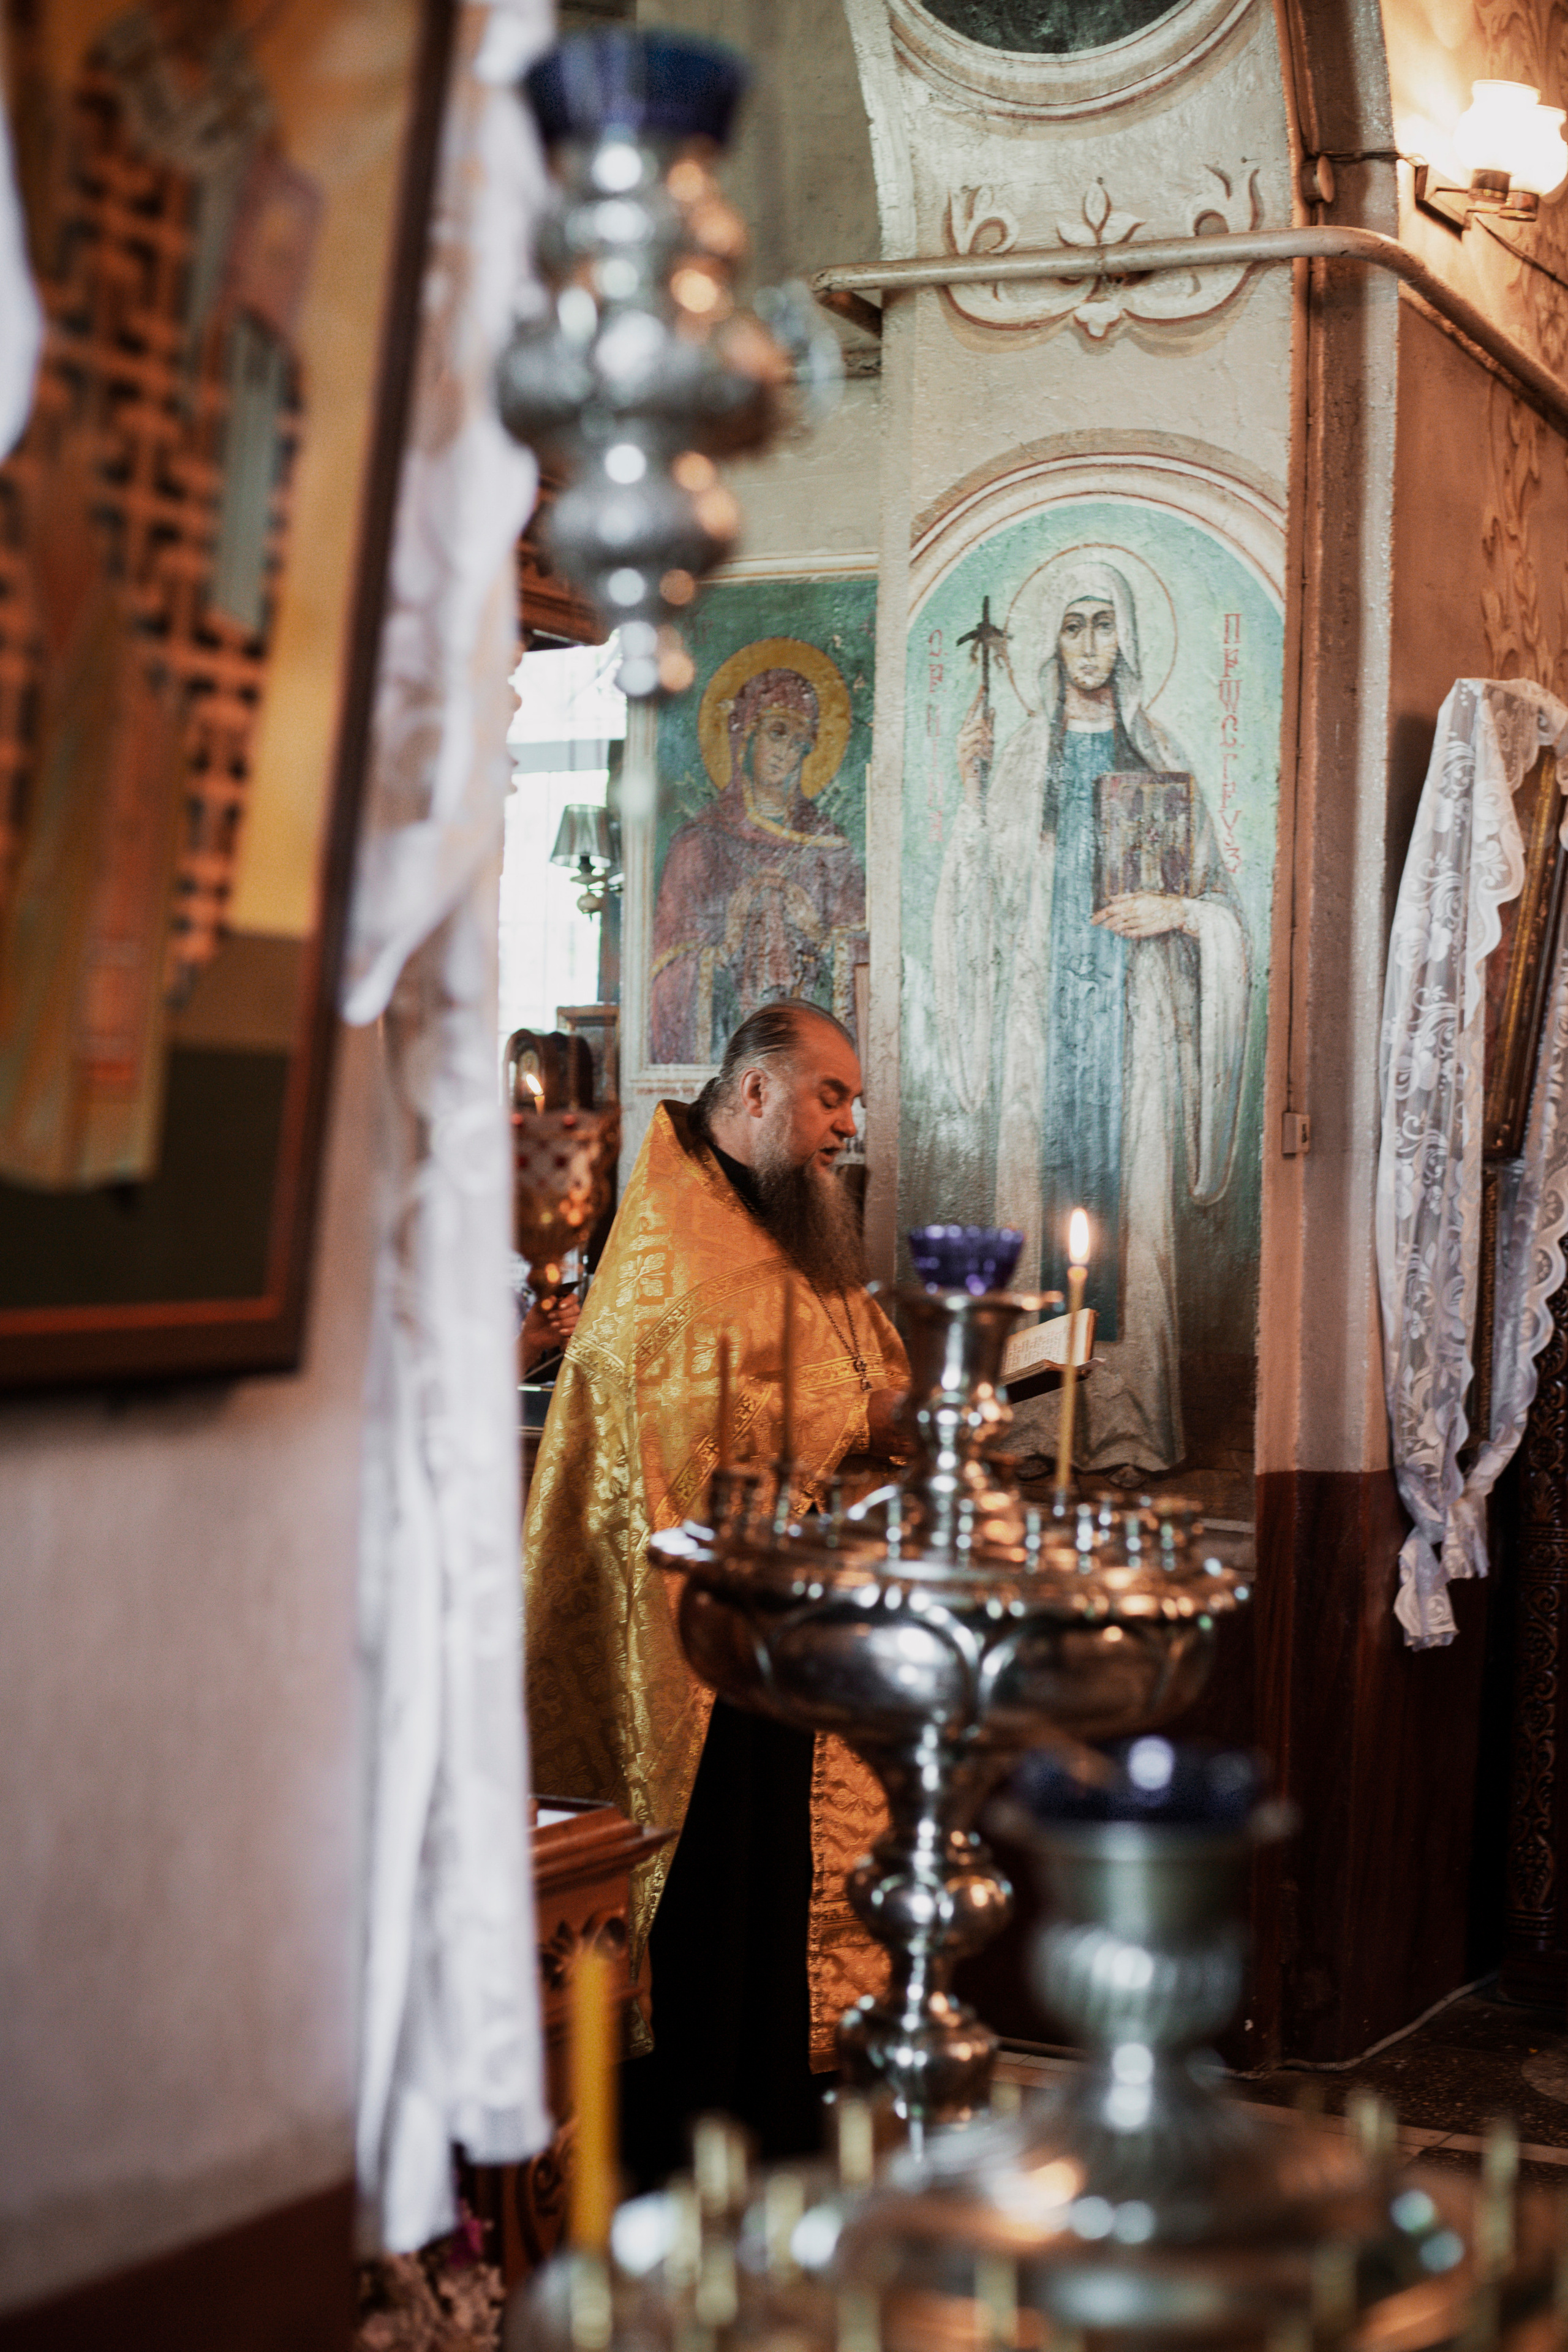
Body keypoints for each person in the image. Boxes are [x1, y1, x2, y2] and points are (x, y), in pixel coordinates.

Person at [523, 1000, 908, 2177]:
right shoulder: (675, 1252)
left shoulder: (782, 1229)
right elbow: (698, 1434)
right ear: (752, 1094)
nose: (848, 1122)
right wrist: (873, 1427)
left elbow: (839, 1379)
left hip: (781, 1628)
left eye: (852, 1099)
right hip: (686, 1648)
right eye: (828, 1095)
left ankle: (770, 2147)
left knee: (772, 1903)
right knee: (707, 1903)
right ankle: (689, 2167)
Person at [932, 558, 1249, 1478]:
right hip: (1043, 1025)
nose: (1089, 645)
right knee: (1032, 1211)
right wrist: (973, 792)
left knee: (1130, 1216)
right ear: (1050, 640)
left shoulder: (1161, 752)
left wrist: (1181, 915)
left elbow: (1221, 902)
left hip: (1135, 1024)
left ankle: (1127, 1426)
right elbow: (979, 899)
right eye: (1072, 625)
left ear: (1131, 637)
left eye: (1104, 624)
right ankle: (1032, 1430)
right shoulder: (1019, 754)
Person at [649, 658, 868, 1063]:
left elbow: (866, 957)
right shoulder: (699, 844)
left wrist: (817, 933)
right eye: (777, 733)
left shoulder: (829, 848)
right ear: (745, 737)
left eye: (798, 743)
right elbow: (666, 972)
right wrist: (725, 944)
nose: (785, 753)